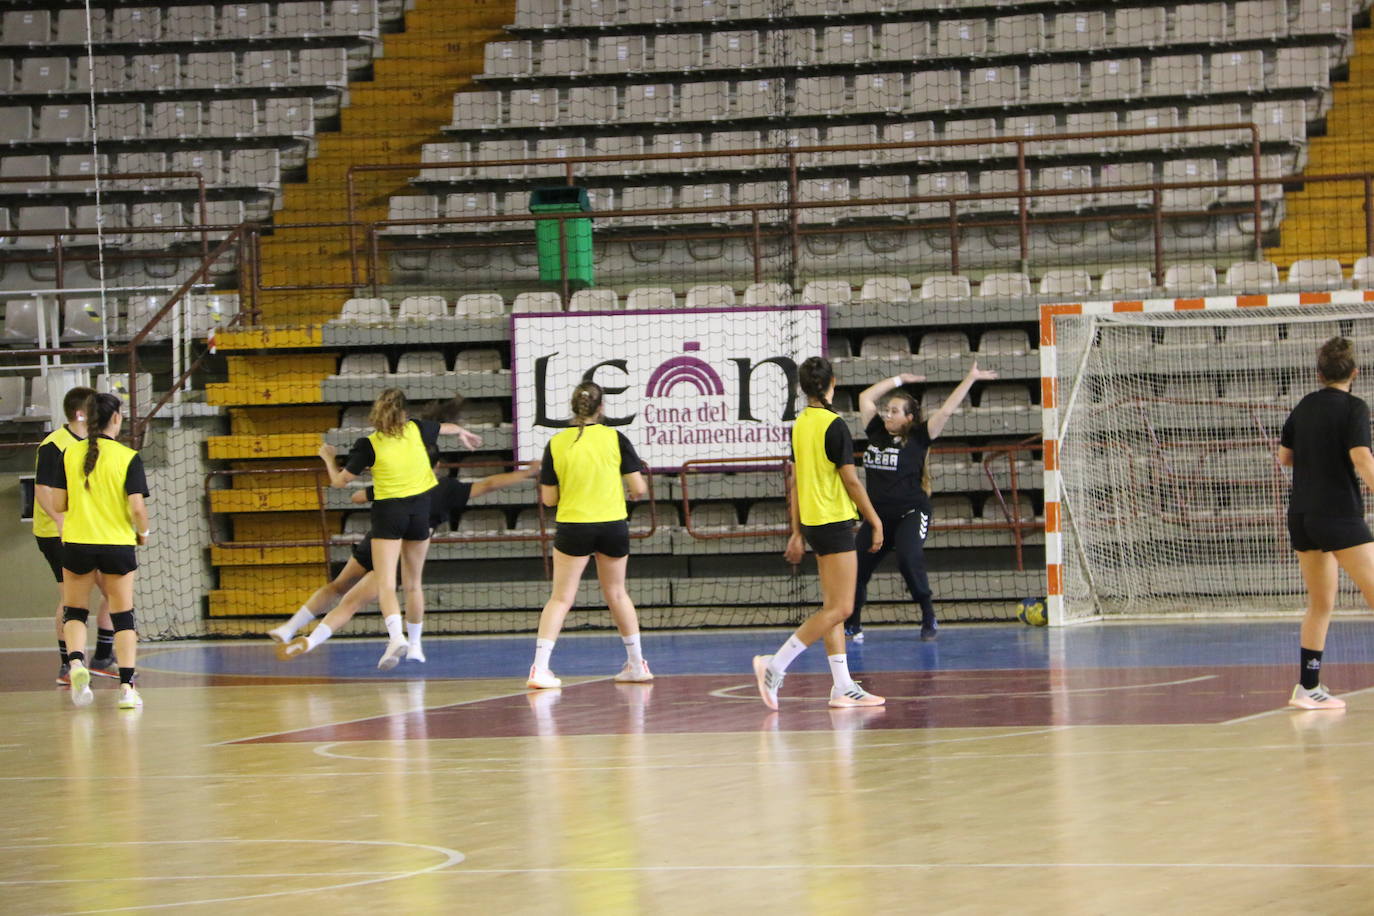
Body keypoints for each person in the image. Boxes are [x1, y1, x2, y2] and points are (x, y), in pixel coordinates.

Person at [272, 460, 541, 659]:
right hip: (400, 555)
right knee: (356, 601)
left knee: (337, 586)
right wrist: (528, 472)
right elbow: (489, 484)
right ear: (436, 466)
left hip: (374, 541)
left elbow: (355, 496)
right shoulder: (445, 488)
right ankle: (314, 640)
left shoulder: (397, 481)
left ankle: (289, 628)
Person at [752, 356, 887, 710]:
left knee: (832, 607)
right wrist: (875, 520)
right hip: (833, 521)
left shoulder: (800, 424)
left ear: (802, 387)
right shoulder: (834, 425)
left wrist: (796, 531)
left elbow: (794, 482)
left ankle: (842, 686)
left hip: (813, 523)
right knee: (842, 607)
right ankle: (775, 664)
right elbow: (852, 481)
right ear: (833, 383)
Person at [316, 388, 481, 669]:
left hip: (389, 513)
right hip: (420, 514)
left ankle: (396, 637)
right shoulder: (416, 429)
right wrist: (462, 432)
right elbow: (447, 427)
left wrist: (329, 460)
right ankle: (415, 645)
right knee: (414, 584)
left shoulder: (369, 444)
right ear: (405, 413)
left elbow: (340, 483)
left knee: (386, 583)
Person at [845, 362, 999, 643]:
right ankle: (853, 623)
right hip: (878, 518)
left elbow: (947, 410)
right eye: (887, 409)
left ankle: (928, 614)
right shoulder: (876, 431)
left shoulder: (919, 437)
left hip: (911, 513)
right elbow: (864, 398)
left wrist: (971, 377)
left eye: (894, 411)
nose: (887, 414)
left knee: (908, 558)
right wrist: (898, 379)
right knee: (857, 569)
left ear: (909, 418)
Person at [527, 380, 652, 689]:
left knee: (560, 598)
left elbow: (549, 499)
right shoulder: (615, 437)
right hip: (612, 525)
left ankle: (540, 669)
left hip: (574, 526)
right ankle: (636, 664)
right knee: (617, 594)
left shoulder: (556, 443)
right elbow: (638, 489)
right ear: (602, 408)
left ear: (573, 407)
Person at [1277, 336, 1374, 710]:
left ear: (1319, 374)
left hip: (1302, 516)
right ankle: (1308, 687)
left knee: (1320, 604)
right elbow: (1362, 458)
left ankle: (1308, 687)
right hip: (1337, 514)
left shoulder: (1304, 405)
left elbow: (1285, 457)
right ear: (1355, 372)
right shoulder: (1354, 407)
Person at [46, 393, 150, 709]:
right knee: (123, 616)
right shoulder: (127, 457)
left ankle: (76, 664)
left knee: (75, 610)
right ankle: (127, 688)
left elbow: (59, 504)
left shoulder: (69, 453)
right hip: (116, 544)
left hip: (77, 542)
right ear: (115, 418)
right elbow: (137, 507)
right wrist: (142, 532)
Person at [33, 385, 117, 685]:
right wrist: (59, 520)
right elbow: (42, 488)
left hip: (89, 530)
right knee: (71, 597)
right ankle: (68, 664)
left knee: (113, 589)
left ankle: (104, 655)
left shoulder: (94, 444)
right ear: (81, 413)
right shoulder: (55, 444)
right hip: (56, 533)